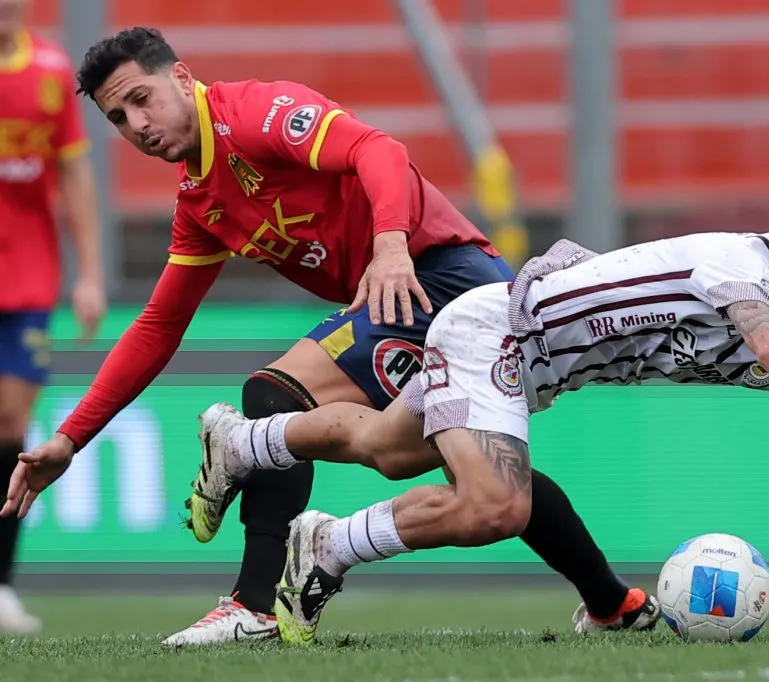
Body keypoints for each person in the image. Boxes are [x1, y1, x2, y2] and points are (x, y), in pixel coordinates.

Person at [0, 26, 658, 645]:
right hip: (409, 294)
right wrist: (69, 439)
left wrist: (392, 245)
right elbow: (159, 326)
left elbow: (378, 150)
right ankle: (611, 604)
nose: (137, 126)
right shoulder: (201, 202)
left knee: (272, 394)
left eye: (141, 100)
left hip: (444, 280)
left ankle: (253, 603)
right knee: (478, 474)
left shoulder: (255, 114)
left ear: (180, 76)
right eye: (119, 118)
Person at [171, 175, 769, 643]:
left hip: (532, 371)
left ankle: (246, 442)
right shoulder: (738, 267)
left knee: (385, 445)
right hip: (497, 330)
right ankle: (332, 547)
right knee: (498, 506)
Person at [0, 0, 106, 633]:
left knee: (11, 423)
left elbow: (73, 174)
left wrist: (89, 273)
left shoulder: (49, 70)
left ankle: (3, 586)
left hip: (29, 273)